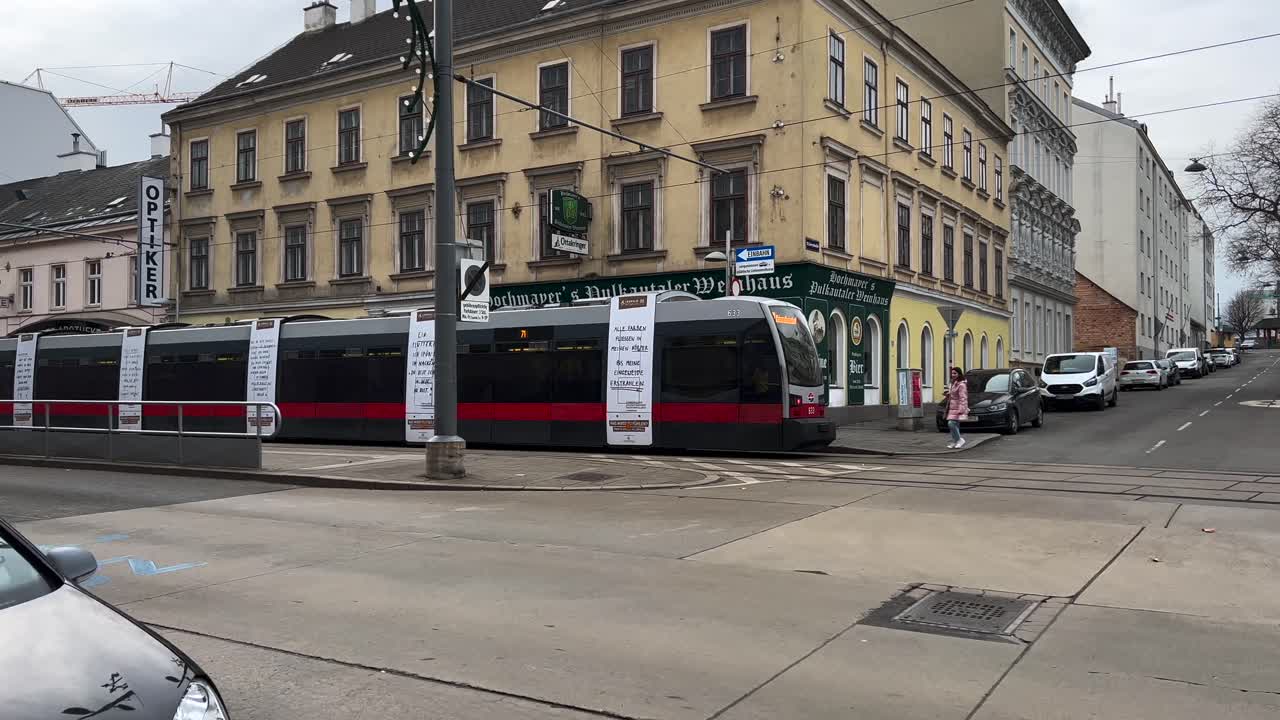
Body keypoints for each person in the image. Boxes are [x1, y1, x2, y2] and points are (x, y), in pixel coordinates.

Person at [942, 366, 970, 449]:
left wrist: (961, 409)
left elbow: (963, 398)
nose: (953, 375)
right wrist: (948, 394)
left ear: (959, 374)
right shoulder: (954, 383)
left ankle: (959, 440)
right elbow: (953, 394)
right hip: (952, 407)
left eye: (955, 373)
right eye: (952, 373)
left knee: (951, 424)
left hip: (958, 407)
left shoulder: (961, 385)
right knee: (954, 425)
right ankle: (955, 441)